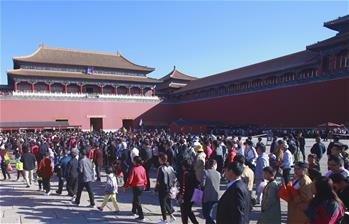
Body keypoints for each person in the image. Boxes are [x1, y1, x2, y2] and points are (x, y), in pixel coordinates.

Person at [155, 153, 176, 224]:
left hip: (162, 188)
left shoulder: (161, 168)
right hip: (169, 187)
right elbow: (174, 178)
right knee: (165, 202)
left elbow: (158, 180)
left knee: (162, 203)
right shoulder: (171, 167)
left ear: (161, 159)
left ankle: (164, 220)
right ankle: (171, 215)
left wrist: (156, 188)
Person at [124, 156, 147, 221]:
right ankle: (133, 211)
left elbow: (130, 179)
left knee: (137, 201)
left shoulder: (134, 169)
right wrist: (145, 185)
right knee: (135, 198)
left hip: (136, 186)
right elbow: (145, 178)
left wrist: (126, 186)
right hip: (142, 185)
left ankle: (141, 216)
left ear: (135, 161)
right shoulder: (142, 168)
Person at [179, 160, 199, 224]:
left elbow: (184, 187)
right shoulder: (193, 173)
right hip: (193, 195)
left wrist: (181, 196)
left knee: (184, 211)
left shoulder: (185, 174)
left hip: (186, 196)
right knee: (188, 210)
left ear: (184, 166)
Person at [201, 159, 221, 224]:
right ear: (214, 165)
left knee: (206, 214)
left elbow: (202, 185)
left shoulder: (205, 172)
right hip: (215, 196)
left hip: (206, 196)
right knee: (210, 213)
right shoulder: (218, 174)